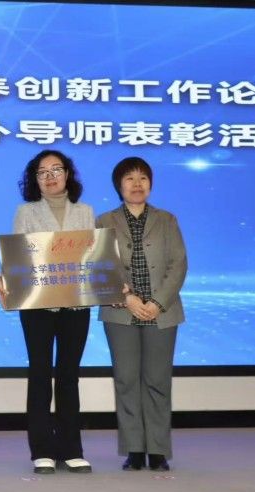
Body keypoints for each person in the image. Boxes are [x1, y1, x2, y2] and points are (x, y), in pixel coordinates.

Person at [0, 149, 95, 474]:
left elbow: (93, 257)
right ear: (34, 179)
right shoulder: (26, 212)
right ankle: (42, 450)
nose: (50, 176)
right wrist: (4, 278)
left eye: (56, 169)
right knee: (40, 373)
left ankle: (71, 448)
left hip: (76, 304)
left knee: (69, 375)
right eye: (43, 172)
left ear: (68, 174)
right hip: (37, 304)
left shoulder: (85, 212)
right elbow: (17, 255)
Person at [97, 156, 187, 472]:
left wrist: (157, 302)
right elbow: (101, 265)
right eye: (130, 179)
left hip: (162, 312)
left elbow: (179, 265)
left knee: (157, 381)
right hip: (121, 312)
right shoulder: (104, 221)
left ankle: (158, 450)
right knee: (126, 380)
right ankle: (134, 449)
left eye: (143, 178)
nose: (137, 184)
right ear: (118, 185)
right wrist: (128, 299)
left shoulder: (167, 220)